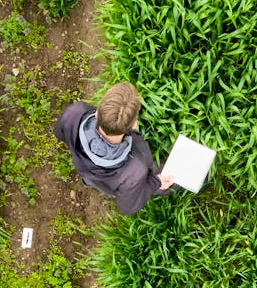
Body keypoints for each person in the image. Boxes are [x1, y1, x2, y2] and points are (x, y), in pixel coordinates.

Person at [54, 82, 175, 215]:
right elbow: (127, 208)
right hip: (116, 184)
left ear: (97, 113)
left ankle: (88, 181)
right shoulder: (136, 167)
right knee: (165, 175)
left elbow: (59, 133)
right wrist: (155, 182)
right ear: (134, 125)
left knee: (91, 180)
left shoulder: (75, 112)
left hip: (85, 169)